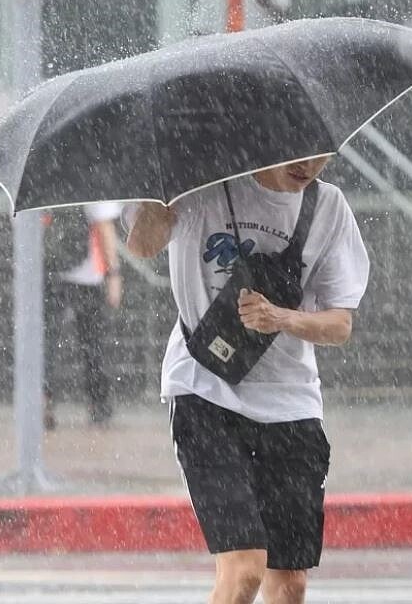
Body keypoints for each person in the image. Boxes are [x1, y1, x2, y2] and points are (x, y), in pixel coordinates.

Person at [124, 157, 369, 604]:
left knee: (290, 583)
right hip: (205, 390)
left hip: (291, 402)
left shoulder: (327, 206)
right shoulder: (199, 186)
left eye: (321, 153)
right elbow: (141, 245)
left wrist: (283, 318)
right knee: (243, 572)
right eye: (298, 150)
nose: (310, 165)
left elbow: (340, 325)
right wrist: (161, 192)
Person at [42, 202, 123, 429]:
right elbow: (105, 225)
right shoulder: (91, 178)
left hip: (49, 272)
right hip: (89, 276)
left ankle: (43, 401)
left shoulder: (44, 180)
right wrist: (114, 275)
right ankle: (99, 406)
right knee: (94, 345)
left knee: (45, 343)